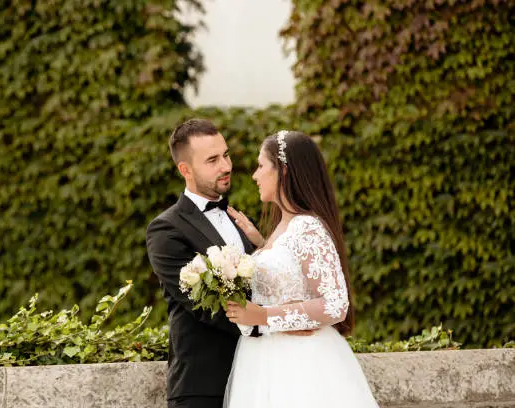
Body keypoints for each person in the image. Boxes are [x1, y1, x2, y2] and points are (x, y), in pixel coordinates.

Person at [224, 130, 379, 407]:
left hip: (300, 364)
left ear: (283, 171)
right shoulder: (282, 228)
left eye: (261, 166)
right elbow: (289, 274)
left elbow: (334, 305)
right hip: (262, 361)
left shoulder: (307, 227)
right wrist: (261, 246)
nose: (254, 176)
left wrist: (264, 315)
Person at [146, 119, 259, 408]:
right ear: (185, 170)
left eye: (226, 154)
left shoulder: (241, 220)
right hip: (203, 386)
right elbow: (203, 307)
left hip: (258, 378)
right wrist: (267, 322)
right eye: (212, 160)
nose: (226, 165)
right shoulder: (165, 229)